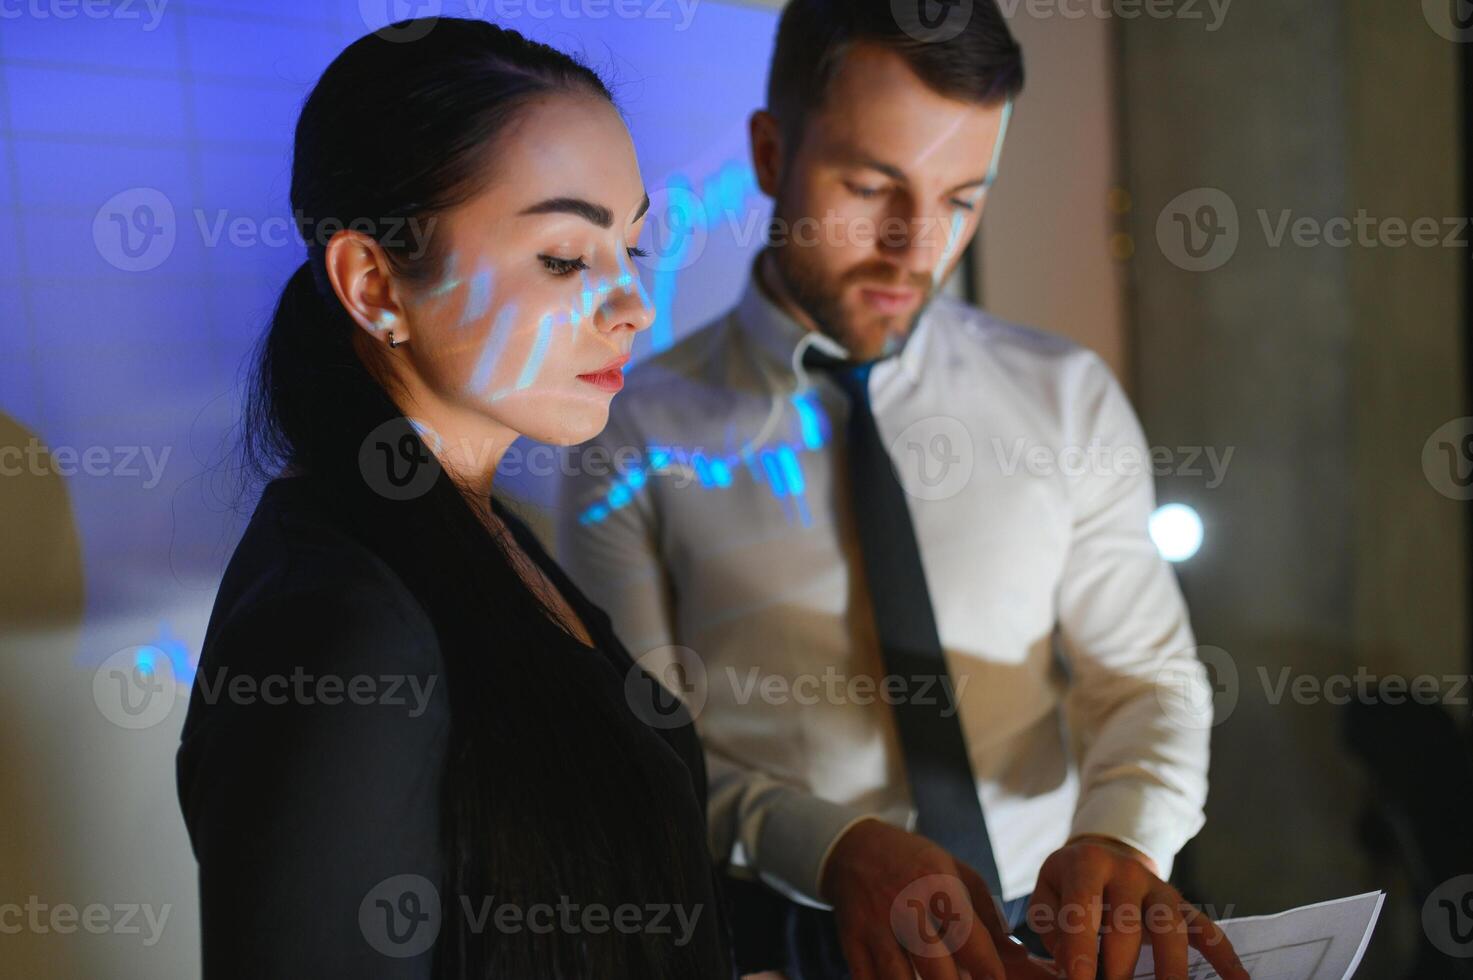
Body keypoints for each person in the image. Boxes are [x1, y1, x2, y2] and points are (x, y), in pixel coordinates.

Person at [556, 3, 1251, 979]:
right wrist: (831, 847)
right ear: (769, 152)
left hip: (1056, 916)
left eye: (962, 197)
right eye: (871, 186)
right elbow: (643, 748)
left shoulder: (1065, 395)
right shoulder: (629, 427)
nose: (916, 245)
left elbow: (1144, 674)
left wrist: (1127, 840)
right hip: (788, 931)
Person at [176, 18, 736, 978]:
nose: (632, 303)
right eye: (564, 257)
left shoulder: (484, 532)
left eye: (631, 248)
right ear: (373, 281)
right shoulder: (341, 629)